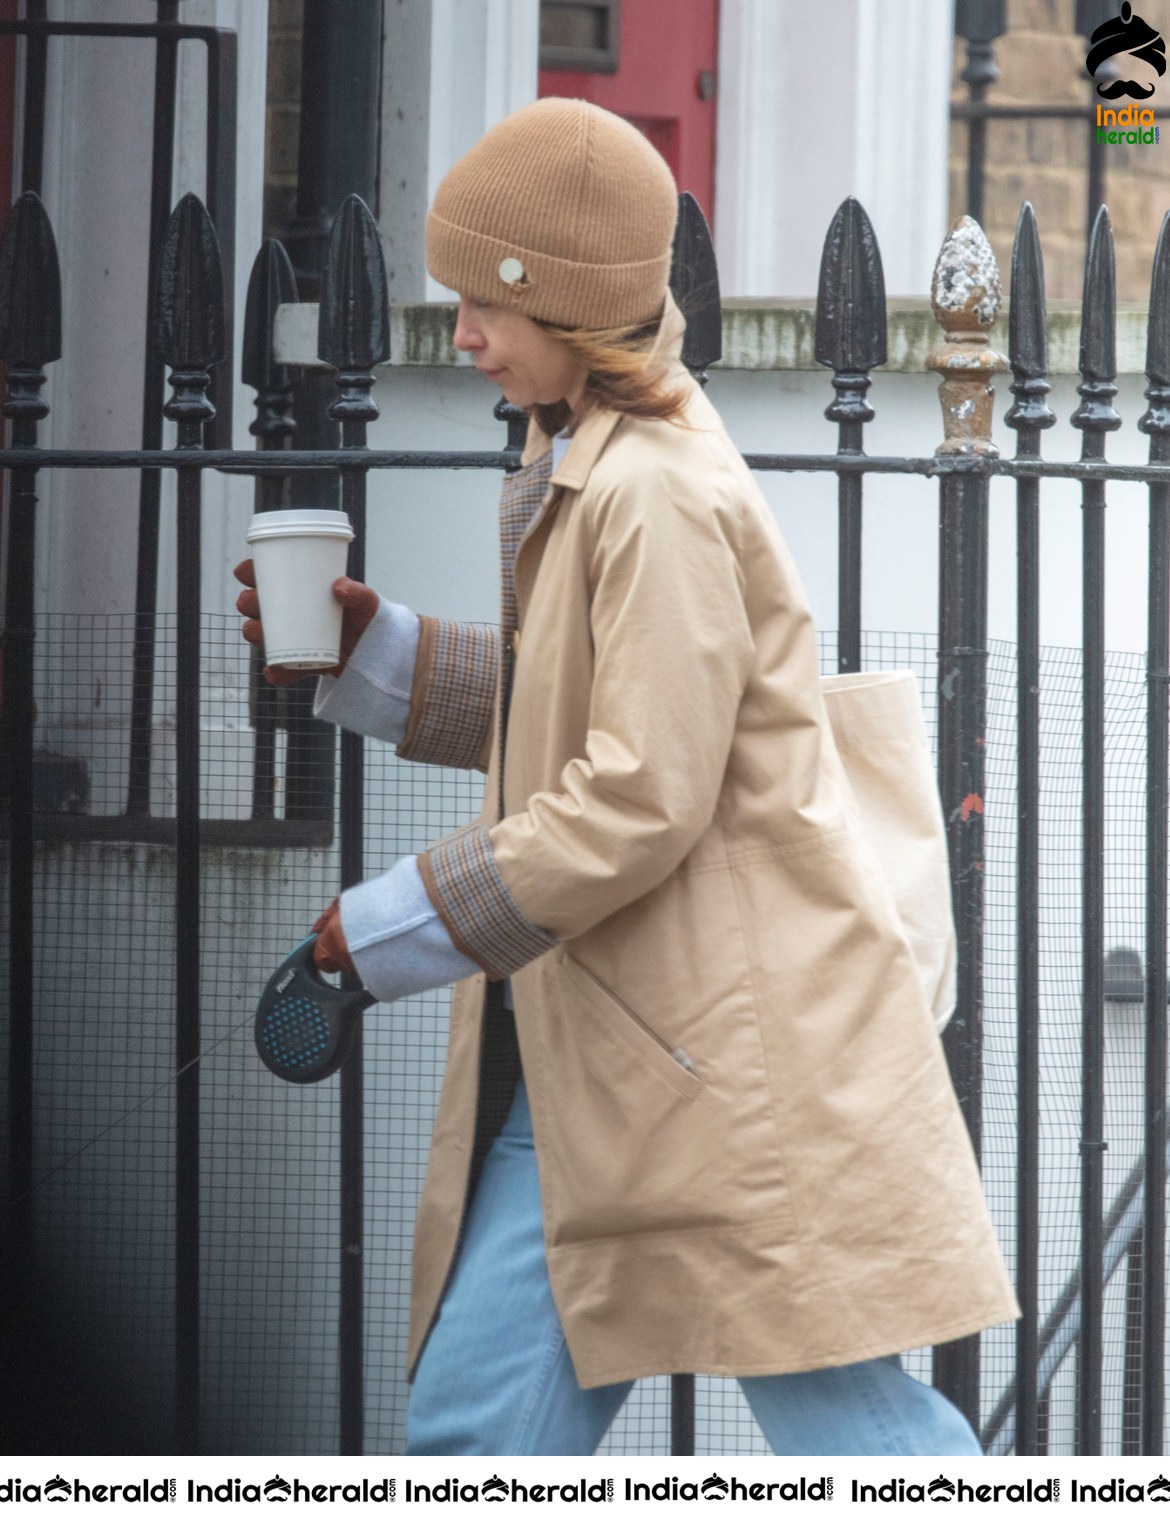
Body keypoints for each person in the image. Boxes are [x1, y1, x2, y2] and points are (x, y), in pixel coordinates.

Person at [236, 97, 1018, 1457]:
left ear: (568, 305)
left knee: (848, 1429)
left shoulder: (649, 488)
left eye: (485, 303)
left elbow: (640, 792)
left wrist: (380, 929)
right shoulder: (591, 460)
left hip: (708, 1059)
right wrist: (378, 657)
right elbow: (584, 701)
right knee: (483, 1440)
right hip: (629, 1042)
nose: (464, 335)